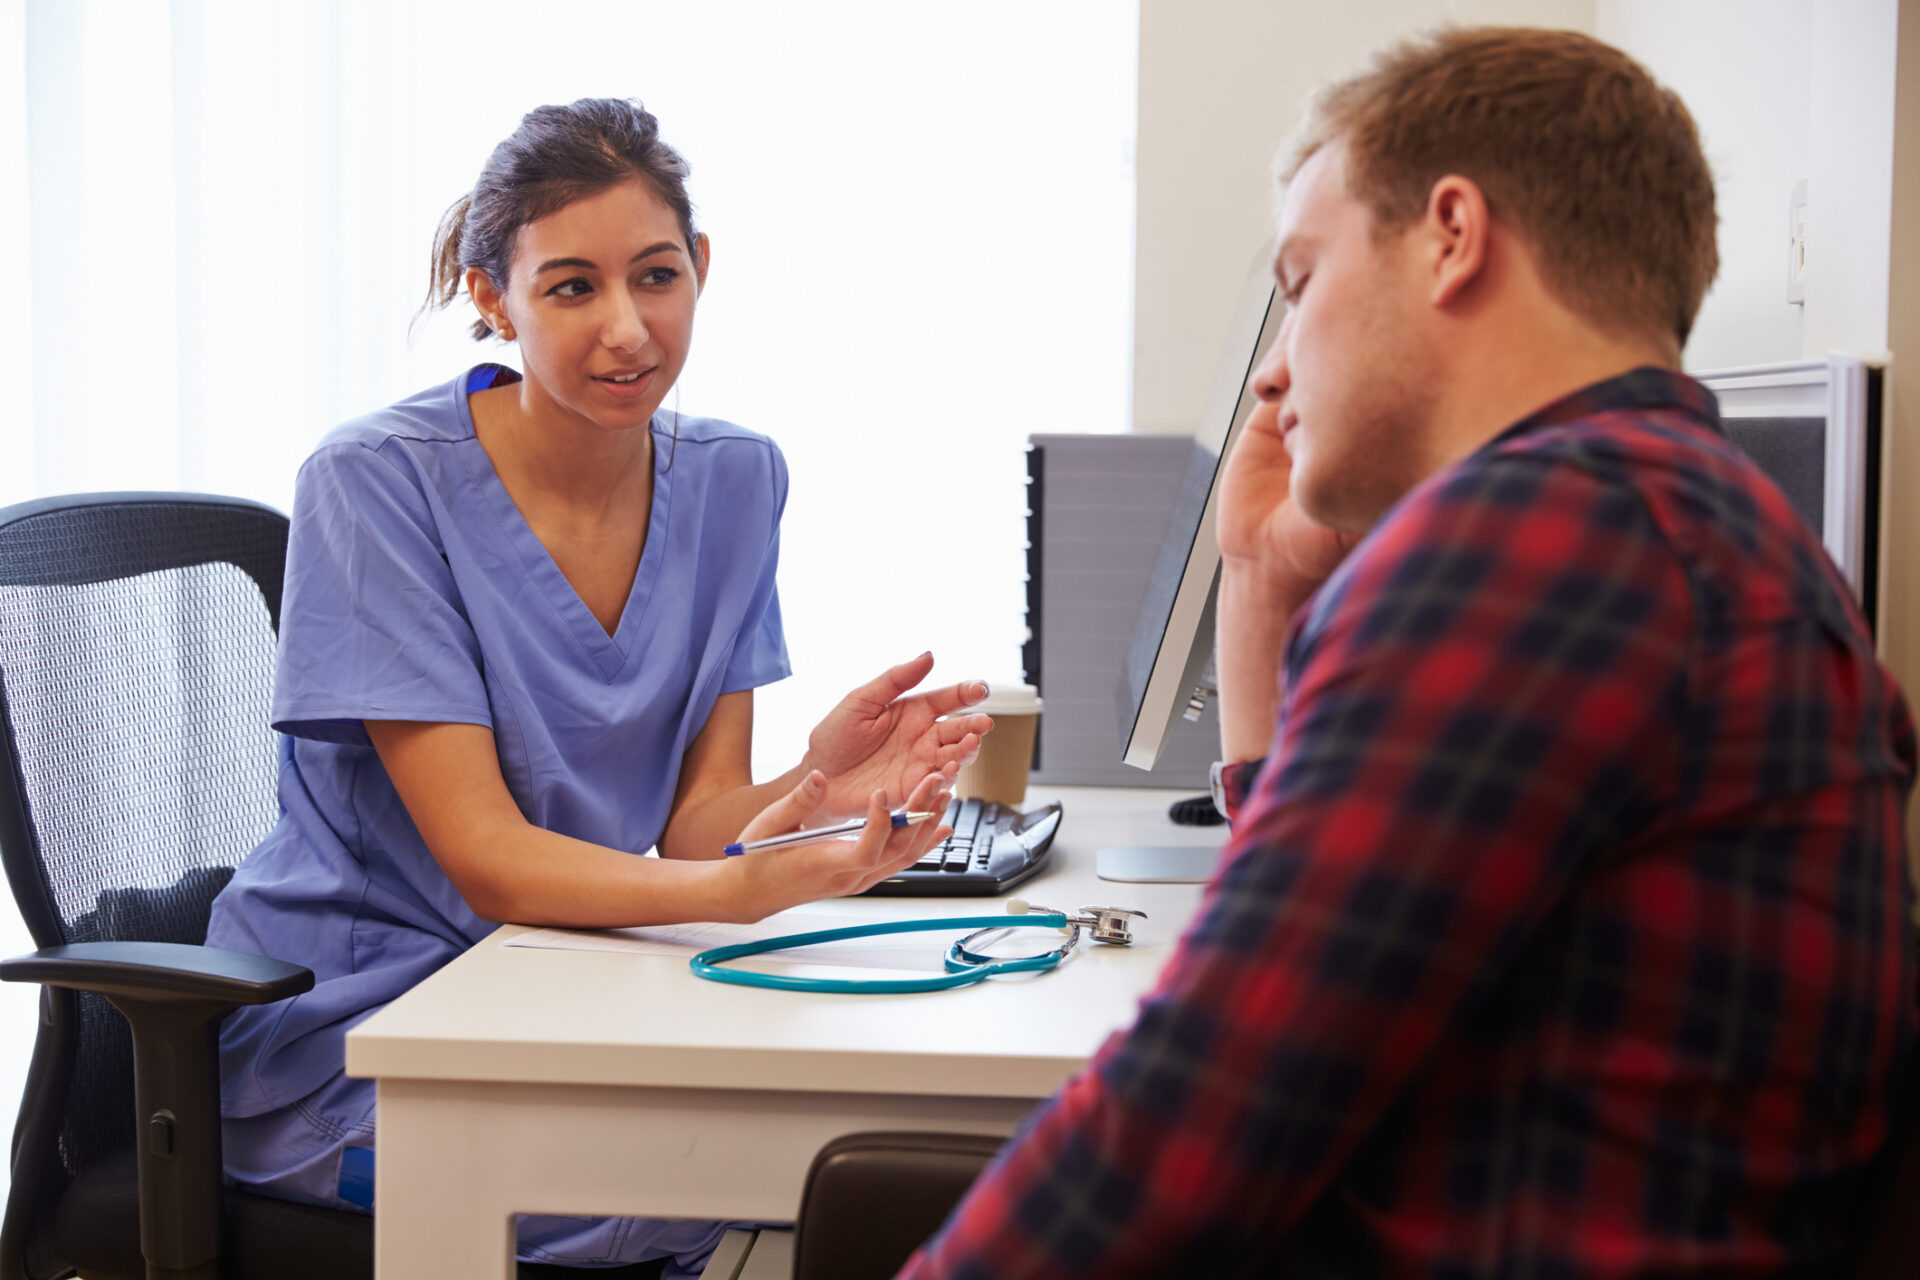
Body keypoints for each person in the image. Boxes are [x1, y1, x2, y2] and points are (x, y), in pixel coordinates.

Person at [902, 27, 1916, 1278]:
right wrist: (1266, 583)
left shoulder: (1546, 537)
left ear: (1451, 234)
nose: (1274, 367)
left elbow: (1196, 1111)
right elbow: (1327, 938)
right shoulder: (1693, 521)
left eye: (1302, 276)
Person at [205, 98, 990, 1277]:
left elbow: (692, 819)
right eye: (571, 286)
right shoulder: (376, 482)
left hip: (572, 993)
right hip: (373, 1038)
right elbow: (488, 856)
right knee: (722, 1196)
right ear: (492, 295)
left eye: (657, 276)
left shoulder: (735, 478)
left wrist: (820, 784)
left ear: (702, 269)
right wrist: (746, 894)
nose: (629, 329)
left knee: (862, 1159)